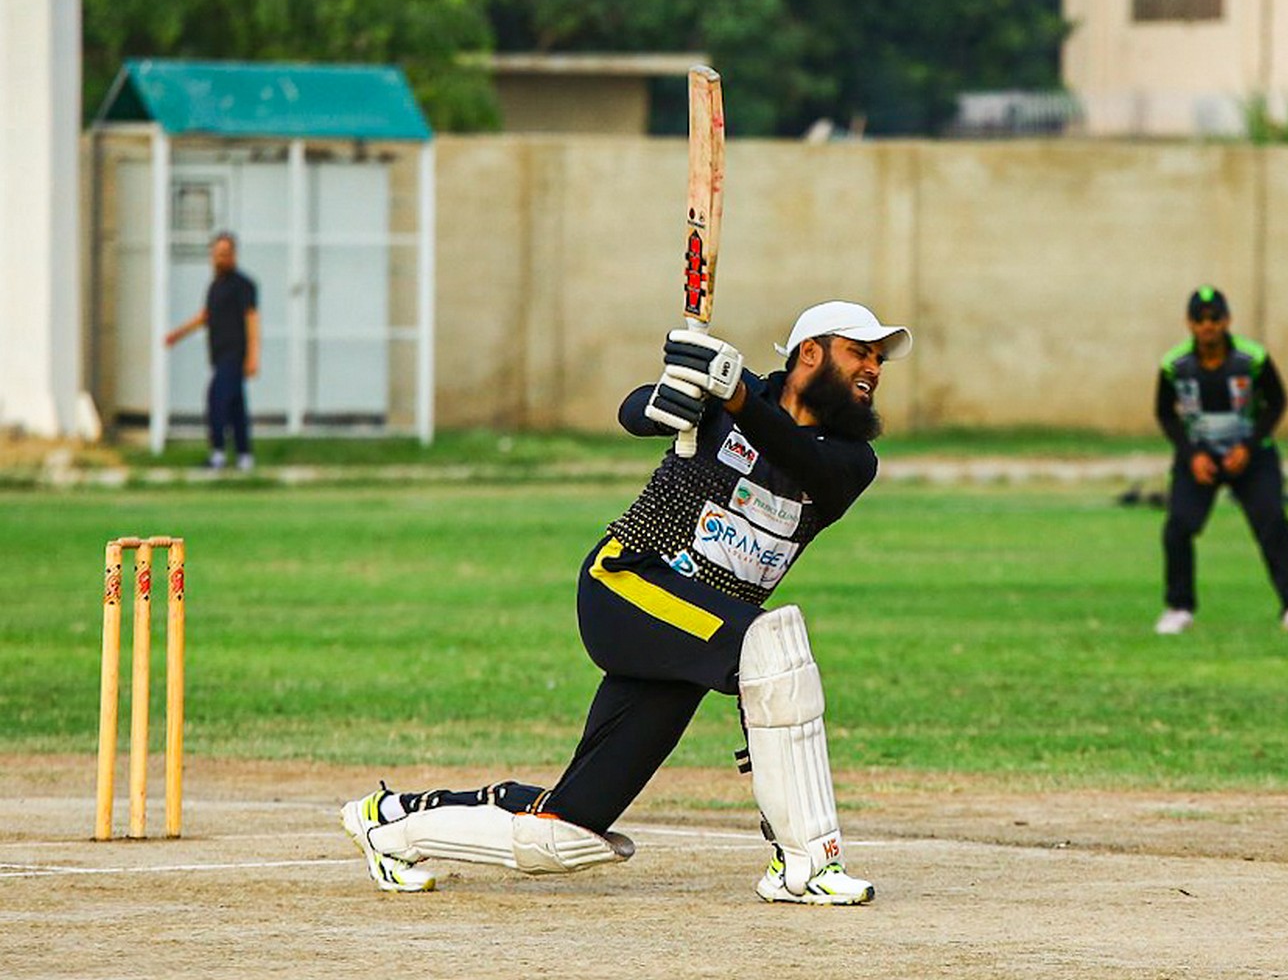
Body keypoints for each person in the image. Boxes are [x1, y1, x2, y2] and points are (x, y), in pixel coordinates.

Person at [341, 300, 912, 904]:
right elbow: (632, 410)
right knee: (771, 646)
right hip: (627, 585)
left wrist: (736, 401)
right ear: (810, 353)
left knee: (565, 833)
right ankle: (806, 866)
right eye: (859, 352)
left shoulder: (851, 458)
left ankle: (392, 825)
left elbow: (803, 459)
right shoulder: (728, 394)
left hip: (694, 631)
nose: (872, 369)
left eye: (879, 359)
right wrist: (667, 401)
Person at [1154, 286, 1288, 636]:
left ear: (1227, 320)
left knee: (1273, 523)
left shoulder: (1252, 358)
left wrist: (1249, 446)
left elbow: (1277, 402)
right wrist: (1191, 454)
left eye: (1215, 318)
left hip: (1250, 457)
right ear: (1189, 323)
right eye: (1200, 319)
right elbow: (1165, 413)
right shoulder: (1174, 365)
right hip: (1200, 458)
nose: (1208, 326)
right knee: (1178, 527)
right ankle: (1179, 607)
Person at [164, 231, 260, 471]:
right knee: (236, 407)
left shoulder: (244, 285)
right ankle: (244, 456)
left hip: (234, 354)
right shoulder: (215, 286)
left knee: (215, 399)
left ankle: (218, 453)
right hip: (218, 356)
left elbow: (252, 320)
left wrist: (253, 356)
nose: (220, 258)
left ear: (233, 255)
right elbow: (205, 317)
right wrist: (178, 334)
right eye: (217, 254)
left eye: (225, 254)